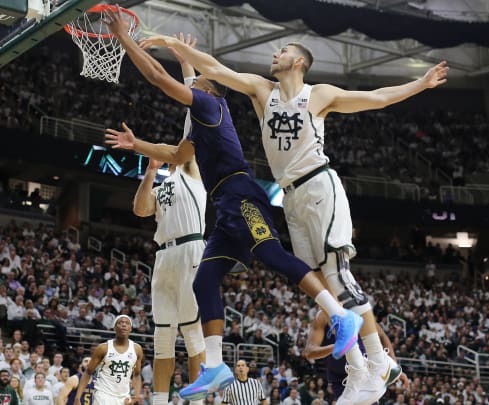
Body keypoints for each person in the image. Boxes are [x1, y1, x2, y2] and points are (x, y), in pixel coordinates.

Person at [141, 32, 449, 404]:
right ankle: (360, 367)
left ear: (299, 62)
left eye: (283, 50)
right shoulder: (260, 90)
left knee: (335, 274)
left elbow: (377, 99)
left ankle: (380, 362)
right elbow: (215, 68)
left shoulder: (318, 95)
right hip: (291, 197)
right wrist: (180, 50)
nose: (275, 53)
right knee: (317, 280)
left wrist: (422, 82)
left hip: (319, 184)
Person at [103, 9, 363, 400]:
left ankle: (341, 315)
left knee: (273, 255)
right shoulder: (202, 121)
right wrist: (136, 144)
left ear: (207, 92)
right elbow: (175, 154)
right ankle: (214, 367)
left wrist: (124, 39)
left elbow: (159, 78)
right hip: (224, 206)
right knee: (204, 281)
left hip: (242, 194)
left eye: (197, 82)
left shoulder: (210, 107)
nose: (193, 82)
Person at [131, 34, 207, 405]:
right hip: (163, 255)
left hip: (193, 249)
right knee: (163, 338)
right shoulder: (166, 180)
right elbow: (141, 211)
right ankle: (159, 402)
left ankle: (194, 402)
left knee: (194, 337)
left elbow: (193, 109)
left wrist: (184, 61)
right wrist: (150, 172)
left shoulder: (192, 166)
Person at [303, 309, 409, 404]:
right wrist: (337, 346)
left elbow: (382, 336)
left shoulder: (358, 310)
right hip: (340, 378)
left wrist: (394, 365)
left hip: (367, 371)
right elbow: (309, 352)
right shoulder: (322, 317)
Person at [73, 315, 143, 405]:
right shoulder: (103, 348)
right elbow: (88, 372)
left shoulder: (137, 349)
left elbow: (137, 375)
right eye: (120, 323)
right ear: (114, 328)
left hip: (124, 397)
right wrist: (78, 397)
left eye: (127, 323)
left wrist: (136, 397)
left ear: (130, 328)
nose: (124, 325)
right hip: (103, 395)